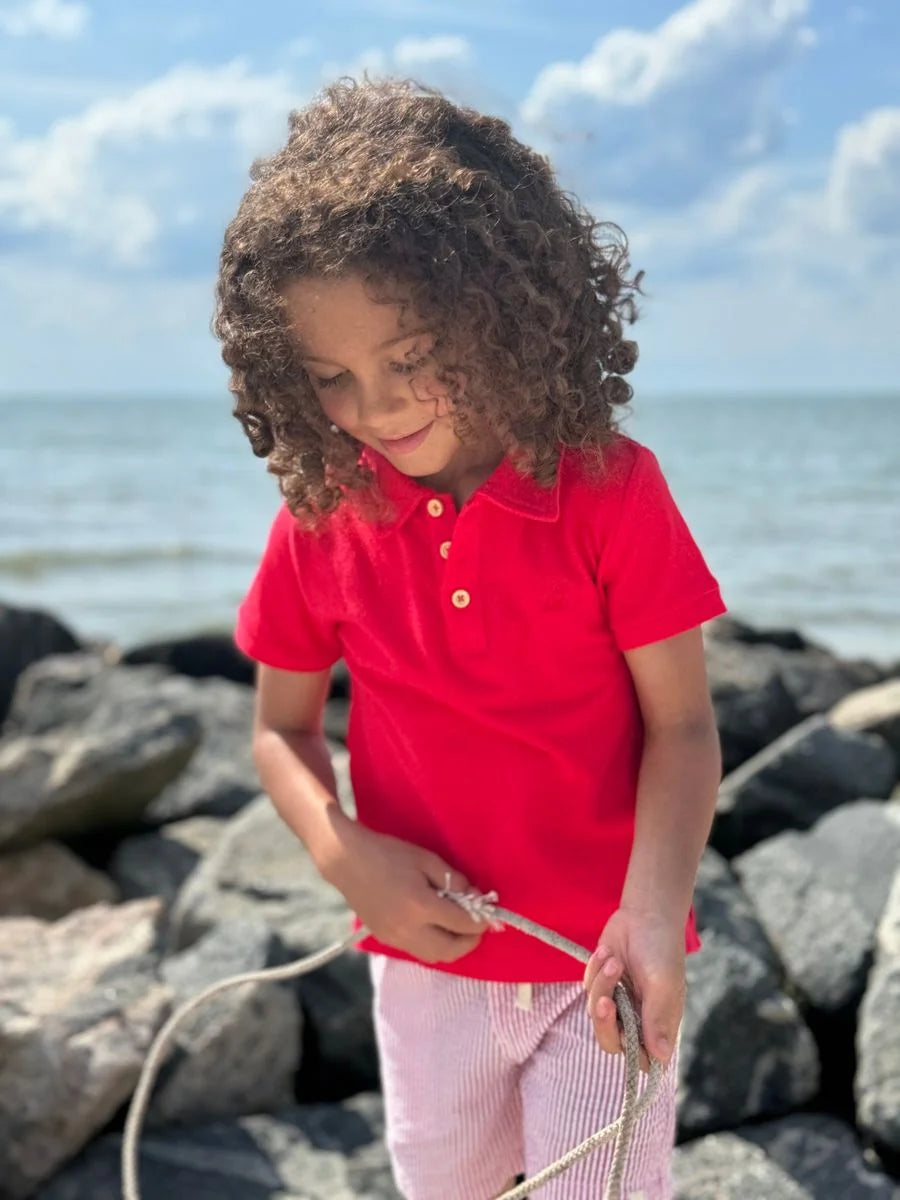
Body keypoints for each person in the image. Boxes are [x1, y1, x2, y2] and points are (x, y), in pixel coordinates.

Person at [216, 77, 726, 1200]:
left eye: (410, 359)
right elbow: (279, 730)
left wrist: (648, 914)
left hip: (598, 969)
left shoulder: (609, 491)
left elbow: (684, 728)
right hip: (424, 964)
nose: (379, 407)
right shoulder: (320, 515)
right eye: (331, 379)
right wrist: (342, 854)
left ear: (500, 307)